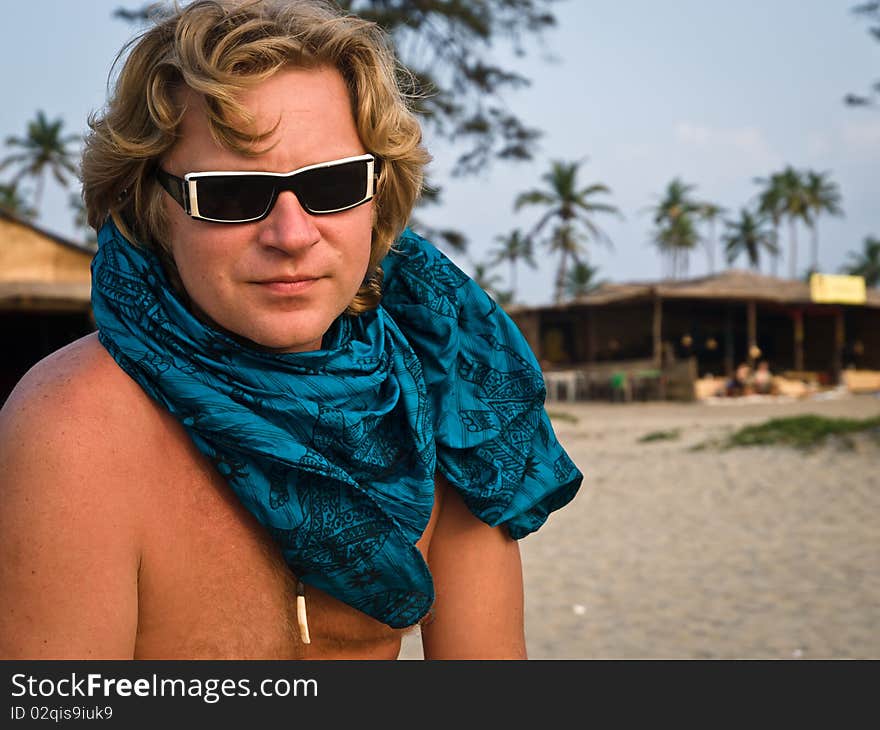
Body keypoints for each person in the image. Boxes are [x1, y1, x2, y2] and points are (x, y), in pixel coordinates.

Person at [0, 0, 581, 659]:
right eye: (230, 195)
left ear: (377, 191)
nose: (291, 235)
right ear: (154, 206)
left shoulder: (450, 378)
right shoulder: (76, 431)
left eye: (332, 184)